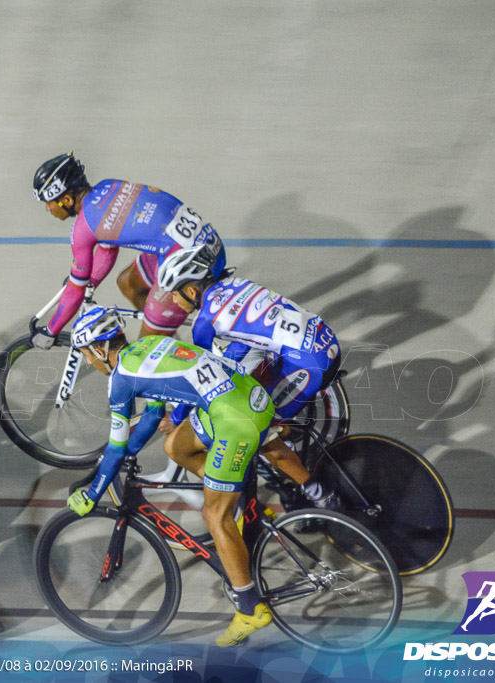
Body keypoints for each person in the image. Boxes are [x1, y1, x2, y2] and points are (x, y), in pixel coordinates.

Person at [64, 306, 274, 647]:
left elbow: (115, 449)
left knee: (213, 515)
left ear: (101, 348)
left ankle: (250, 608)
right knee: (176, 445)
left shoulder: (120, 381)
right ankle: (242, 505)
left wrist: (92, 494)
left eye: (88, 355)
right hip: (245, 398)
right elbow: (152, 416)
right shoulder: (146, 347)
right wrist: (129, 451)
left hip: (236, 420)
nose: (88, 363)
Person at [156, 244, 342, 509]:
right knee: (255, 399)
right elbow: (244, 342)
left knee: (260, 431)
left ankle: (321, 497)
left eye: (174, 295)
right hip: (320, 340)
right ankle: (290, 443)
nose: (173, 302)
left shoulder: (205, 321)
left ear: (190, 290)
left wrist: (176, 418)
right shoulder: (235, 284)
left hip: (308, 363)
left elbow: (201, 376)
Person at [29, 152, 227, 348]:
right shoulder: (109, 186)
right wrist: (91, 283)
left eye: (49, 203)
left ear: (67, 200)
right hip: (206, 244)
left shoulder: (83, 228)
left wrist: (51, 330)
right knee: (128, 282)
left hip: (190, 267)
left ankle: (165, 353)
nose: (48, 209)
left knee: (145, 352)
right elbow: (107, 251)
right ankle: (165, 335)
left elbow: (75, 290)